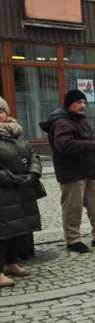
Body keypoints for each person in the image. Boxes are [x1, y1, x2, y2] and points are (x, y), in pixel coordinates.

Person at [39, 89, 95, 254]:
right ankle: (73, 239)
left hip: (88, 171)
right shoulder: (62, 123)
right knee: (73, 208)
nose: (82, 105)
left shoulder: (80, 121)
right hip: (72, 173)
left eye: (84, 102)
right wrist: (92, 146)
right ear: (69, 104)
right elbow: (64, 145)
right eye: (78, 102)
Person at [0, 98, 42, 287]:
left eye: (1, 110)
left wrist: (33, 174)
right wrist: (14, 179)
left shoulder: (16, 133)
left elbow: (33, 155)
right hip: (4, 191)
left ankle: (10, 263)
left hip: (21, 190)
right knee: (3, 231)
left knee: (18, 227)